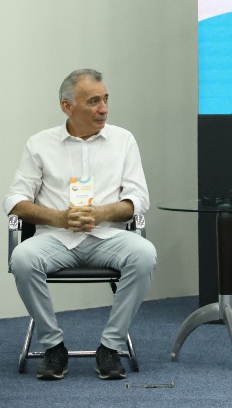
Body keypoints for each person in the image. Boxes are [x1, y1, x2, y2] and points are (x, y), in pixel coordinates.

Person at [5, 69, 157, 381]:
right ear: (67, 106)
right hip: (56, 238)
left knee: (144, 255)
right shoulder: (39, 144)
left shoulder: (123, 140)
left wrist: (103, 213)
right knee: (22, 258)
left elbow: (139, 198)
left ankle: (110, 347)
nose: (104, 108)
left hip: (106, 236)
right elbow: (15, 200)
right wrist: (58, 217)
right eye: (93, 101)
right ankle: (53, 346)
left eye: (105, 99)